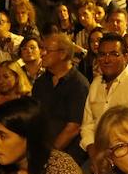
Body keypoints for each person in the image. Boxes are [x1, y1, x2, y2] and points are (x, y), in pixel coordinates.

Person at [31, 33, 89, 166]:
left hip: (68, 157)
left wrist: (50, 153)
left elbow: (74, 127)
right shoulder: (41, 82)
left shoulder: (78, 84)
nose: (42, 54)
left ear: (63, 54)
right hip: (42, 150)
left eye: (47, 50)